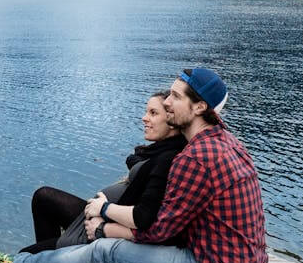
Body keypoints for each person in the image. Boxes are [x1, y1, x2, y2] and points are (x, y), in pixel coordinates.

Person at [0, 67, 268, 263]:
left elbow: (157, 230)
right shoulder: (225, 141)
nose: (166, 102)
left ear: (200, 106)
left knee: (106, 254)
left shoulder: (196, 157)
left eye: (175, 96)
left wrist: (103, 228)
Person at [20, 91, 186, 254]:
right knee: (43, 197)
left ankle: (50, 259)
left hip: (102, 229)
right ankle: (50, 261)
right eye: (146, 111)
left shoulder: (167, 159)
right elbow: (136, 162)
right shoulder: (159, 152)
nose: (144, 118)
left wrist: (104, 211)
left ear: (171, 120)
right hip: (101, 217)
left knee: (24, 255)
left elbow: (144, 216)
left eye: (153, 113)